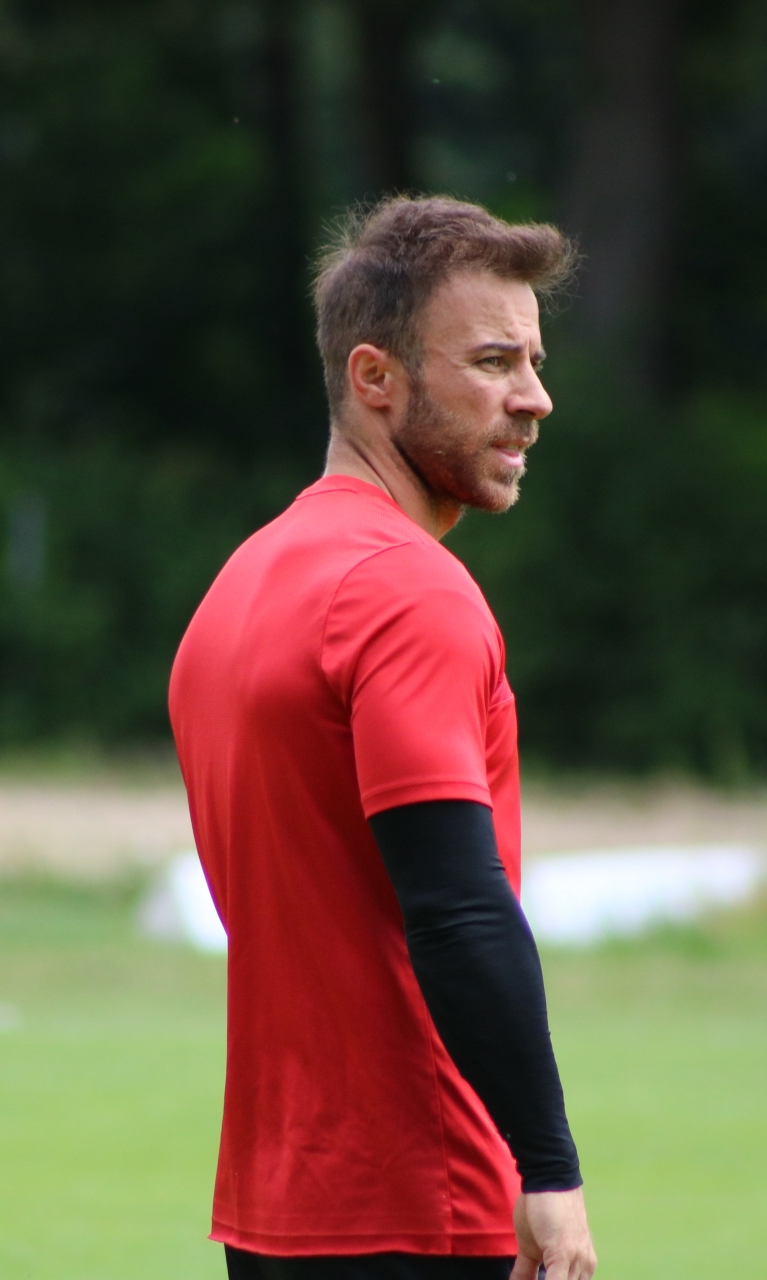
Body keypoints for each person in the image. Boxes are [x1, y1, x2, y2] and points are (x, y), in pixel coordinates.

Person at [168, 196, 597, 1280]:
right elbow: (456, 906)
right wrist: (548, 1168)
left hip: (274, 1208)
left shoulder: (240, 586)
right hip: (422, 1200)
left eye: (534, 361)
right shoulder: (408, 594)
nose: (534, 398)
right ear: (376, 378)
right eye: (493, 362)